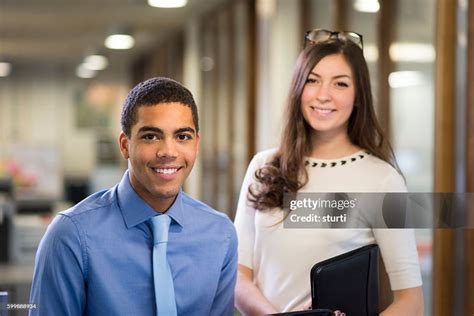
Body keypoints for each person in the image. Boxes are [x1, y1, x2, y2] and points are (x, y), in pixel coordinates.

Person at [234, 29, 424, 315]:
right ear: (298, 88)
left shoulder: (382, 180)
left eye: (340, 84)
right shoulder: (264, 165)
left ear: (358, 96)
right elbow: (238, 275)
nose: (323, 95)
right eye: (312, 80)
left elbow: (411, 302)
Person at [29, 77, 237, 316]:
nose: (168, 152)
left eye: (182, 137)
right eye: (151, 136)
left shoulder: (220, 234)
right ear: (125, 144)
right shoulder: (70, 236)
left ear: (196, 144)